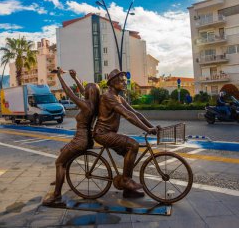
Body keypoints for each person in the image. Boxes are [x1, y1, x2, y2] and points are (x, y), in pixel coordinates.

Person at [94, 69, 158, 198]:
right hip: (103, 134)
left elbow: (136, 113)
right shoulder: (108, 96)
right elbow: (128, 115)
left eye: (125, 81)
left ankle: (127, 190)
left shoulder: (119, 98)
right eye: (122, 81)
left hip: (110, 133)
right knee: (133, 145)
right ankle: (125, 181)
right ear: (112, 82)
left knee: (130, 154)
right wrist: (147, 129)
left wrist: (152, 127)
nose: (125, 83)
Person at [42, 68, 100, 205]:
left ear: (89, 93)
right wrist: (75, 78)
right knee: (64, 151)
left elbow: (70, 93)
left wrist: (59, 77)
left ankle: (56, 195)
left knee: (59, 162)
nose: (84, 91)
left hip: (80, 140)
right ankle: (59, 178)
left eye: (87, 90)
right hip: (86, 139)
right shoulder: (94, 105)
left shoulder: (86, 106)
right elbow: (83, 91)